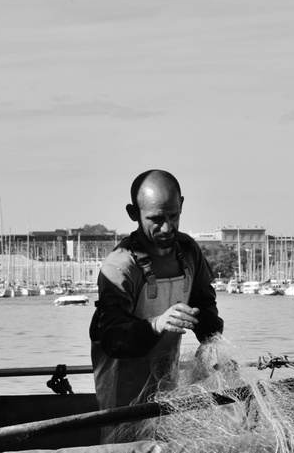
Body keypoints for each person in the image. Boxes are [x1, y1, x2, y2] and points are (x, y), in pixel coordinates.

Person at [89, 169, 224, 422]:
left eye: (173, 216)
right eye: (155, 218)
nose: (167, 227)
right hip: (122, 395)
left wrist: (210, 341)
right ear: (133, 213)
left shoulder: (188, 251)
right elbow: (112, 337)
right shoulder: (120, 267)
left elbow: (204, 304)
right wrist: (156, 324)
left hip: (166, 385)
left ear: (181, 204)